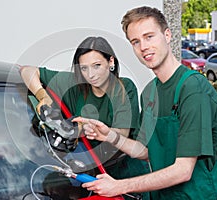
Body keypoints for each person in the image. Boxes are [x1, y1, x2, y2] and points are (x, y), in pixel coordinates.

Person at [73, 6, 217, 200]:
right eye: (135, 41)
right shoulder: (149, 93)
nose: (143, 47)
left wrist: (119, 186)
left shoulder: (193, 89)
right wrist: (109, 136)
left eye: (149, 37)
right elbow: (147, 151)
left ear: (167, 35)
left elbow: (183, 170)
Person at [19, 36, 150, 199]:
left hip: (126, 175)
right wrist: (43, 96)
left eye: (97, 66)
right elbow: (26, 70)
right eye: (84, 68)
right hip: (88, 175)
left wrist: (89, 130)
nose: (91, 75)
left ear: (111, 62)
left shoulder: (124, 88)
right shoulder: (74, 86)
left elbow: (122, 133)